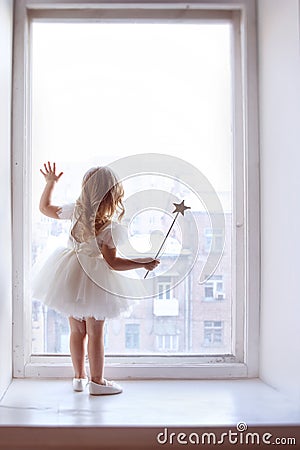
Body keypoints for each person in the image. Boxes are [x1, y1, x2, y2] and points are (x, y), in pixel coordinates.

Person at [32, 162, 159, 395]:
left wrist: (50, 183)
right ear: (112, 194)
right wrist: (142, 262)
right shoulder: (109, 228)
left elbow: (45, 208)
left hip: (69, 273)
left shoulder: (75, 212)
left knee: (77, 331)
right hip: (95, 280)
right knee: (96, 332)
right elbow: (113, 263)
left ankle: (79, 377)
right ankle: (97, 382)